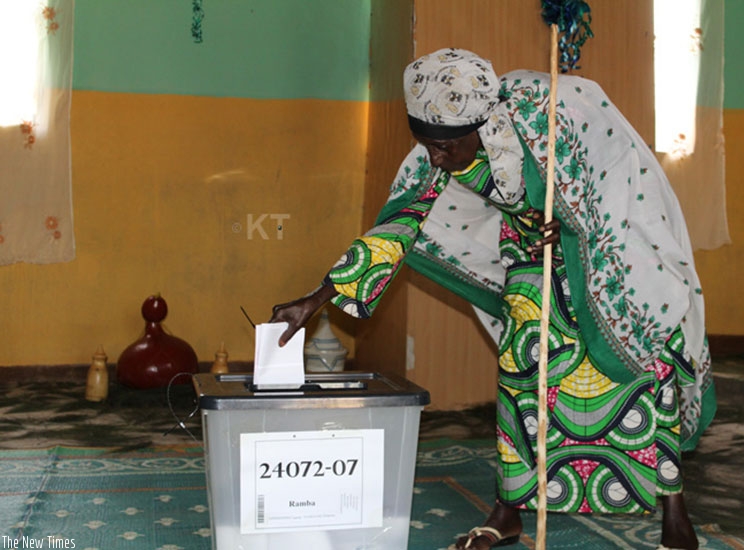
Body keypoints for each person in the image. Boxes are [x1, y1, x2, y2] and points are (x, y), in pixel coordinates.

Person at [270, 48, 715, 550]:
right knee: (521, 361)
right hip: (529, 257)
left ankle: (674, 509)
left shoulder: (549, 115)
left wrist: (573, 223)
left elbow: (616, 172)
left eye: (445, 147)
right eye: (427, 146)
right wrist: (318, 296)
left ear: (480, 124)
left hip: (606, 254)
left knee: (646, 358)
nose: (436, 158)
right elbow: (399, 225)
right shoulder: (442, 138)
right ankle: (509, 509)